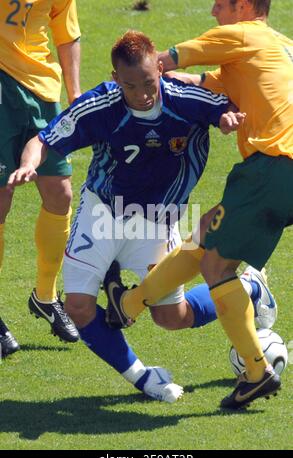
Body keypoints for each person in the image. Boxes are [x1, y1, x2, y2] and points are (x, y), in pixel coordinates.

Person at [7, 30, 252, 402]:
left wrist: (227, 118)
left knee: (172, 317)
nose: (142, 94)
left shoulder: (186, 100)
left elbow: (229, 104)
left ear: (159, 69)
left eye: (149, 83)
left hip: (159, 220)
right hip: (102, 211)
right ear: (115, 77)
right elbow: (43, 140)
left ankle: (252, 288)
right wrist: (29, 164)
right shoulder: (101, 106)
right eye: (131, 86)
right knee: (77, 306)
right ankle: (142, 377)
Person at [102, 0, 292, 409]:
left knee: (216, 266)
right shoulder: (278, 46)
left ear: (243, 6)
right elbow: (204, 80)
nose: (212, 11)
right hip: (281, 173)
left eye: (220, 4)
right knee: (204, 236)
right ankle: (129, 304)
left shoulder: (243, 33)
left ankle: (257, 372)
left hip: (272, 167)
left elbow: (166, 62)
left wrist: (129, 80)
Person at [0, 0, 81, 354]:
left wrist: (75, 94)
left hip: (42, 90)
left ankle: (45, 297)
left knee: (60, 194)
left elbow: (66, 32)